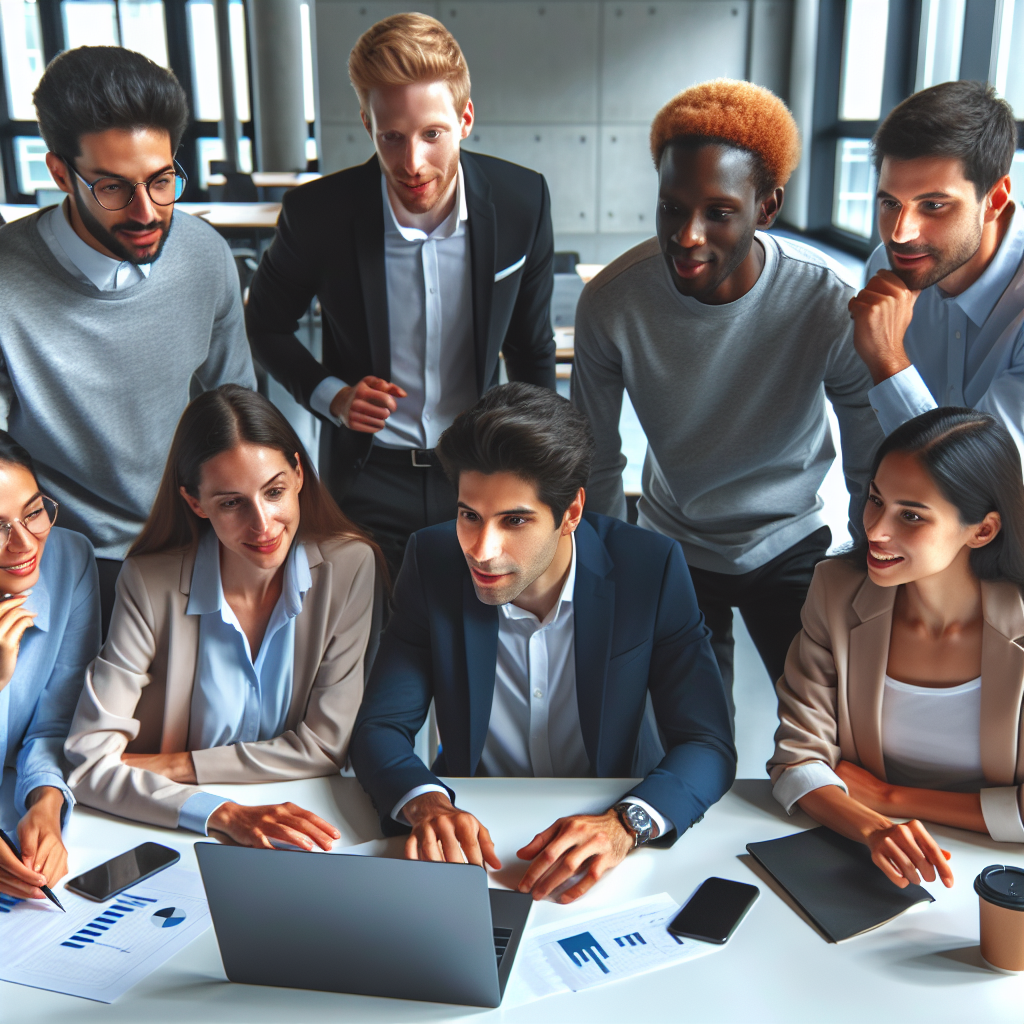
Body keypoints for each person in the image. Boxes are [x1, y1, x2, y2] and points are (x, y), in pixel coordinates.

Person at [350, 384, 735, 904]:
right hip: (474, 837)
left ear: (571, 512)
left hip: (611, 828)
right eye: (469, 515)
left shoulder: (651, 569)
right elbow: (381, 725)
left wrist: (625, 824)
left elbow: (707, 743)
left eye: (514, 521)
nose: (482, 551)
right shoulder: (432, 560)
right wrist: (427, 805)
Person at [572, 79, 882, 712]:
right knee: (692, 742)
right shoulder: (612, 302)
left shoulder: (825, 299)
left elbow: (867, 450)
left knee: (835, 730)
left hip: (791, 540)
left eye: (718, 211)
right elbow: (598, 460)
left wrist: (866, 571)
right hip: (674, 544)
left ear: (766, 207)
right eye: (671, 207)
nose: (687, 235)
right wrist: (613, 571)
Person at [245, 13, 556, 578]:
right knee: (369, 647)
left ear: (464, 119)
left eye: (432, 134)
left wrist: (535, 469)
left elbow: (532, 349)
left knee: (474, 643)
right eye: (392, 136)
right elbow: (264, 323)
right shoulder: (318, 214)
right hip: (365, 476)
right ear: (367, 124)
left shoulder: (522, 202)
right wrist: (330, 394)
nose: (412, 163)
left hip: (481, 473)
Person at [0, 46, 256, 633]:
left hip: (191, 544)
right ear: (61, 173)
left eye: (162, 180)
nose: (147, 212)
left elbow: (237, 406)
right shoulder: (6, 281)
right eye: (113, 188)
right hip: (60, 564)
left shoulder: (205, 255)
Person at [65, 386, 378, 850]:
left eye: (273, 491)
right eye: (231, 503)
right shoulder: (148, 582)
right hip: (170, 824)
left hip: (306, 821)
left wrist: (174, 764)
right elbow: (89, 762)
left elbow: (325, 748)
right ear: (195, 503)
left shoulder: (350, 567)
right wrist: (223, 812)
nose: (263, 525)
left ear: (297, 474)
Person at [769, 408, 1024, 890]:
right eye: (876, 500)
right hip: (866, 861)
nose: (876, 530)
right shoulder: (835, 591)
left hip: (998, 875)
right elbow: (796, 761)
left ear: (983, 530)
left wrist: (890, 798)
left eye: (910, 515)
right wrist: (875, 828)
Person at [850, 82, 1024, 450]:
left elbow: (983, 473)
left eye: (933, 205)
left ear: (995, 199)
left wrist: (888, 361)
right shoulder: (886, 266)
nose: (900, 234)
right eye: (890, 203)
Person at [0, 433, 101, 901]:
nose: (23, 542)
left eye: (34, 511)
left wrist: (46, 800)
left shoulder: (69, 559)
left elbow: (56, 722)